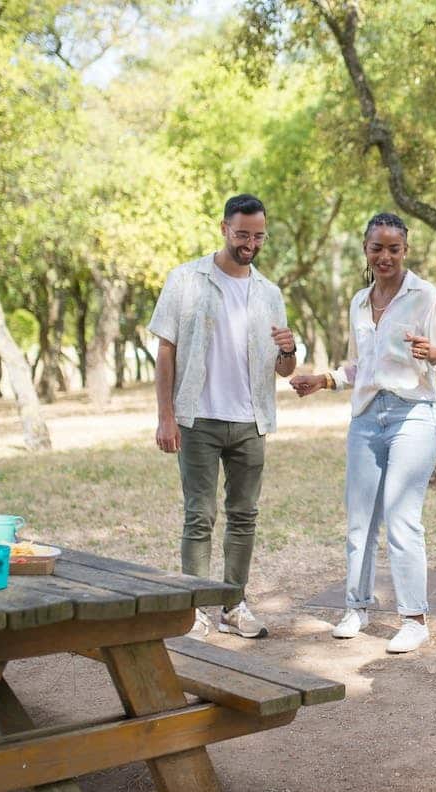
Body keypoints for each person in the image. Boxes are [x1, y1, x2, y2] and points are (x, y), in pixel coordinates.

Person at [290, 212, 436, 654]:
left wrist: (435, 352)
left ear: (405, 250)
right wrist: (324, 380)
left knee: (402, 517)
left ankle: (413, 618)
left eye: (394, 248)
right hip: (367, 416)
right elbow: (361, 366)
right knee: (360, 517)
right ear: (366, 249)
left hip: (413, 414)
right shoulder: (359, 302)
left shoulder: (426, 297)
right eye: (376, 248)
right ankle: (356, 607)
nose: (385, 256)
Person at [149, 193, 296, 640]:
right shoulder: (186, 280)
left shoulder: (269, 293)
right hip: (198, 417)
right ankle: (196, 610)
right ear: (223, 229)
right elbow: (166, 350)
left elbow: (284, 369)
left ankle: (233, 605)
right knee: (199, 515)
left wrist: (289, 349)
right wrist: (166, 416)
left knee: (243, 515)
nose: (250, 243)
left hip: (251, 421)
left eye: (258, 236)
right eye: (242, 234)